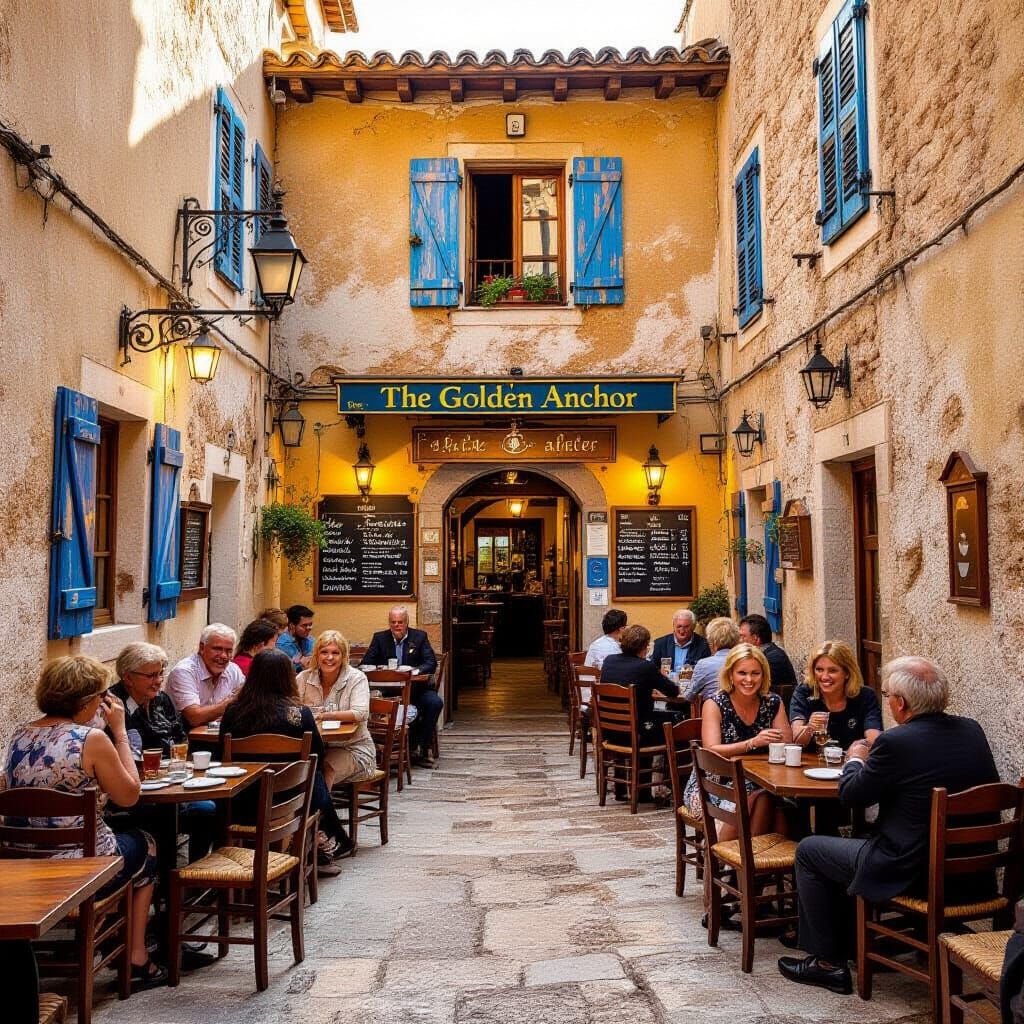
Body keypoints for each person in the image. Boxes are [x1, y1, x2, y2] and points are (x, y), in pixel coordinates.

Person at [778, 655, 999, 995]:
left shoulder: (896, 742)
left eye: (887, 696)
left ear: (901, 703)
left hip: (911, 872)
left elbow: (852, 796)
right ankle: (853, 937)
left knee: (810, 849)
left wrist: (854, 758)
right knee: (855, 840)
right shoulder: (971, 729)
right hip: (972, 875)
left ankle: (827, 962)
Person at [3, 656, 166, 990]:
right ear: (87, 699)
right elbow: (130, 795)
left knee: (125, 841)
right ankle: (135, 954)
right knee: (147, 844)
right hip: (82, 870)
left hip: (25, 864)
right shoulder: (90, 739)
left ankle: (98, 932)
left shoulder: (20, 735)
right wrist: (120, 732)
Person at [220, 649, 353, 864]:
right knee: (316, 772)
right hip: (289, 799)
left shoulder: (233, 712)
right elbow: (316, 753)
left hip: (242, 799)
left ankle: (328, 838)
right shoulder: (298, 714)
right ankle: (326, 837)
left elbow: (221, 753)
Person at [109, 642, 217, 867]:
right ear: (128, 678)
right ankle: (167, 887)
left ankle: (193, 877)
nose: (158, 681)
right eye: (150, 676)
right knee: (162, 816)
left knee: (207, 809)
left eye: (160, 674)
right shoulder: (114, 707)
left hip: (170, 785)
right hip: (132, 795)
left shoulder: (162, 700)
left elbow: (180, 738)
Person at [683, 643, 792, 841]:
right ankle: (745, 863)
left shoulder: (772, 702)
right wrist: (753, 743)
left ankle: (740, 864)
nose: (749, 679)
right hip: (714, 781)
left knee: (772, 802)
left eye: (755, 673)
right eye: (742, 673)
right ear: (731, 674)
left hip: (761, 778)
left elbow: (786, 742)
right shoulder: (715, 703)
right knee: (764, 800)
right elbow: (711, 751)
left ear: (763, 675)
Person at [363, 606, 442, 768]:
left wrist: (415, 671)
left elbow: (431, 662)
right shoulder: (380, 638)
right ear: (389, 623)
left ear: (407, 622)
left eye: (400, 622)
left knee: (435, 703)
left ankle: (423, 748)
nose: (397, 626)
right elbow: (366, 663)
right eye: (393, 622)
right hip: (388, 692)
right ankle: (378, 751)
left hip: (416, 690)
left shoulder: (419, 637)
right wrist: (381, 669)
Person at [297, 630, 376, 790]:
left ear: (344, 656)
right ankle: (299, 813)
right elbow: (290, 708)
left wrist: (324, 716)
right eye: (324, 652)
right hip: (313, 747)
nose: (329, 657)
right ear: (317, 655)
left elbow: (360, 713)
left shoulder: (356, 678)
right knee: (293, 770)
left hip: (353, 748)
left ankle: (321, 813)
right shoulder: (303, 678)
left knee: (323, 769)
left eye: (335, 653)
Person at [789, 640, 882, 751]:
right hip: (811, 766)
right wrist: (809, 728)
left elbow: (874, 739)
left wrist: (861, 746)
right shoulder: (804, 692)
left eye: (832, 671)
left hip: (851, 763)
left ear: (847, 673)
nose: (824, 677)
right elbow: (797, 740)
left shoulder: (865, 696)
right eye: (819, 670)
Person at [600, 625, 681, 746]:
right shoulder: (645, 666)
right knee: (678, 719)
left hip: (609, 728)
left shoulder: (609, 660)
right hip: (638, 731)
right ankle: (670, 763)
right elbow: (673, 691)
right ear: (644, 646)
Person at [165, 623, 245, 728]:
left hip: (218, 736)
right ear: (202, 648)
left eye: (228, 651)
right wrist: (231, 703)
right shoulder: (184, 671)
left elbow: (246, 704)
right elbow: (194, 718)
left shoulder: (233, 669)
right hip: (187, 739)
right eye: (217, 649)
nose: (223, 656)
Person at [682, 616, 740, 703]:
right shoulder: (745, 660)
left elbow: (688, 696)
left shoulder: (704, 664)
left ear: (712, 642)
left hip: (714, 711)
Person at [739, 613, 797, 691]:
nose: (740, 640)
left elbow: (759, 690)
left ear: (755, 638)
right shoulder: (765, 655)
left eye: (743, 636)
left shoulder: (773, 658)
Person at [649, 609, 711, 674]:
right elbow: (652, 669)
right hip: (665, 683)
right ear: (673, 625)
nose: (682, 631)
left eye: (686, 627)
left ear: (693, 627)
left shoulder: (704, 645)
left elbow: (705, 672)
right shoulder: (660, 644)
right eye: (679, 626)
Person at [276, 604, 315, 671]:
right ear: (292, 626)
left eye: (310, 624)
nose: (309, 628)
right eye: (304, 625)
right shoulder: (283, 644)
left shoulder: (307, 638)